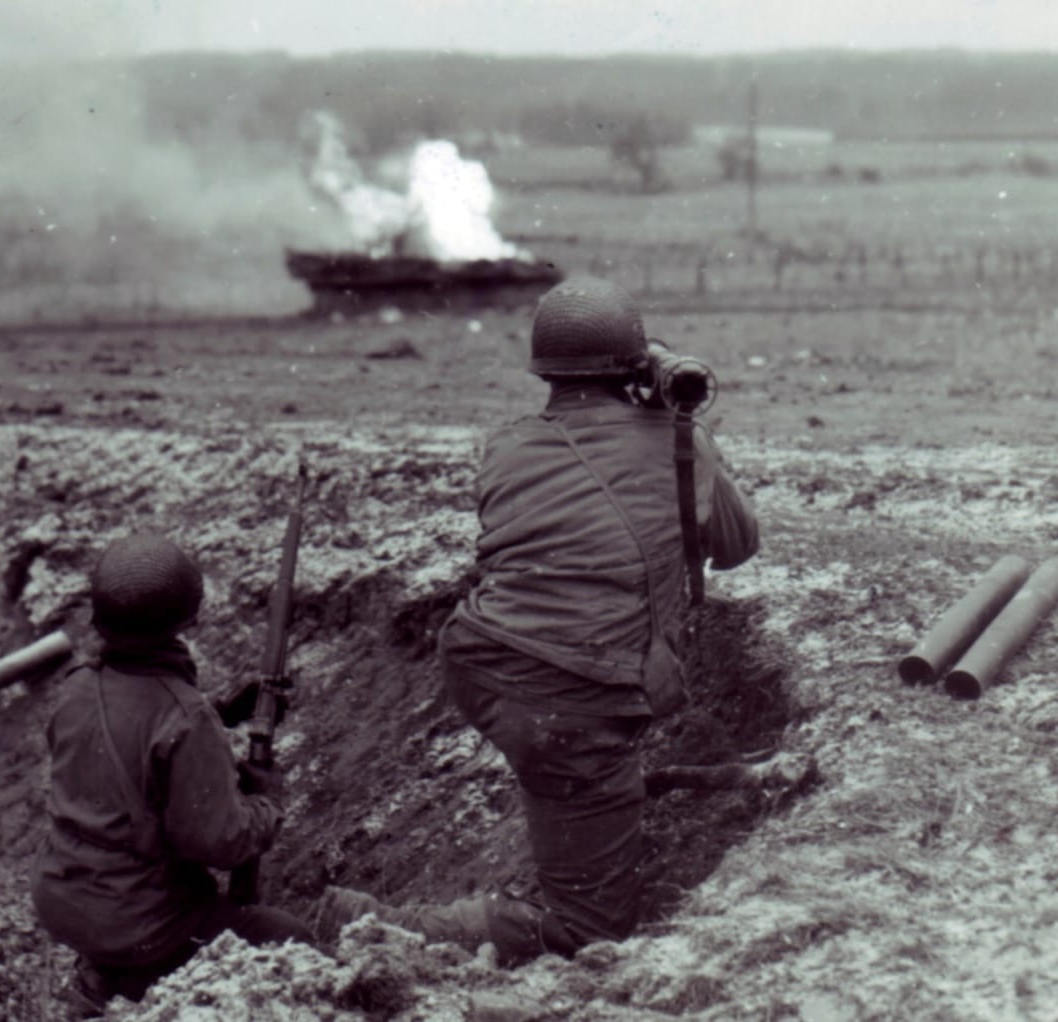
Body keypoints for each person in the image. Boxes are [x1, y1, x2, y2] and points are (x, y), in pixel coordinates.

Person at [314, 276, 760, 965]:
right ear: (637, 365)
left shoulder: (506, 445)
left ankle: (591, 813)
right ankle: (373, 925)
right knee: (590, 932)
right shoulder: (678, 444)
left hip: (483, 663)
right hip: (571, 698)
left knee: (568, 774)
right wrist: (686, 432)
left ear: (544, 369)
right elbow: (737, 546)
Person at [31, 533, 314, 1017]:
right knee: (292, 944)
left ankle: (107, 974)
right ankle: (139, 977)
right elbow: (220, 844)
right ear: (189, 618)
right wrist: (267, 803)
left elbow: (131, 741)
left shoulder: (77, 688)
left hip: (65, 902)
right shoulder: (183, 717)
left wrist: (218, 711)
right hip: (144, 926)